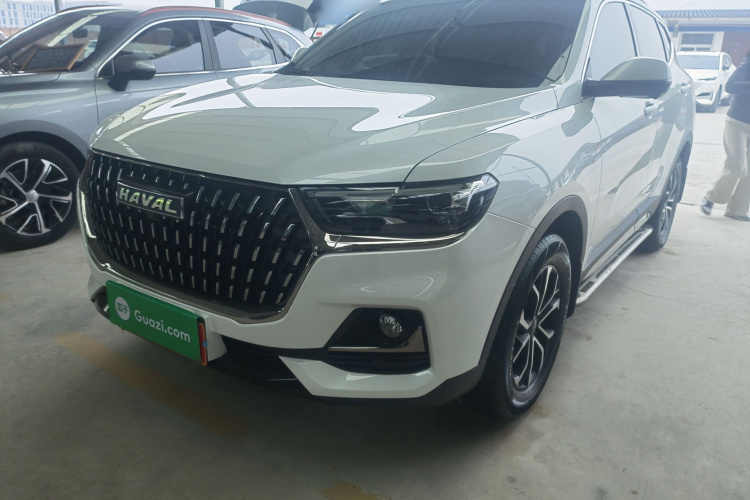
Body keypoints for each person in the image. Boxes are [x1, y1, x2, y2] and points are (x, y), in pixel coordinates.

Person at [700, 50, 750, 221]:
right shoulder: (748, 64)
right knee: (737, 166)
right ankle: (710, 197)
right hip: (737, 123)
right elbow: (731, 86)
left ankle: (737, 210)